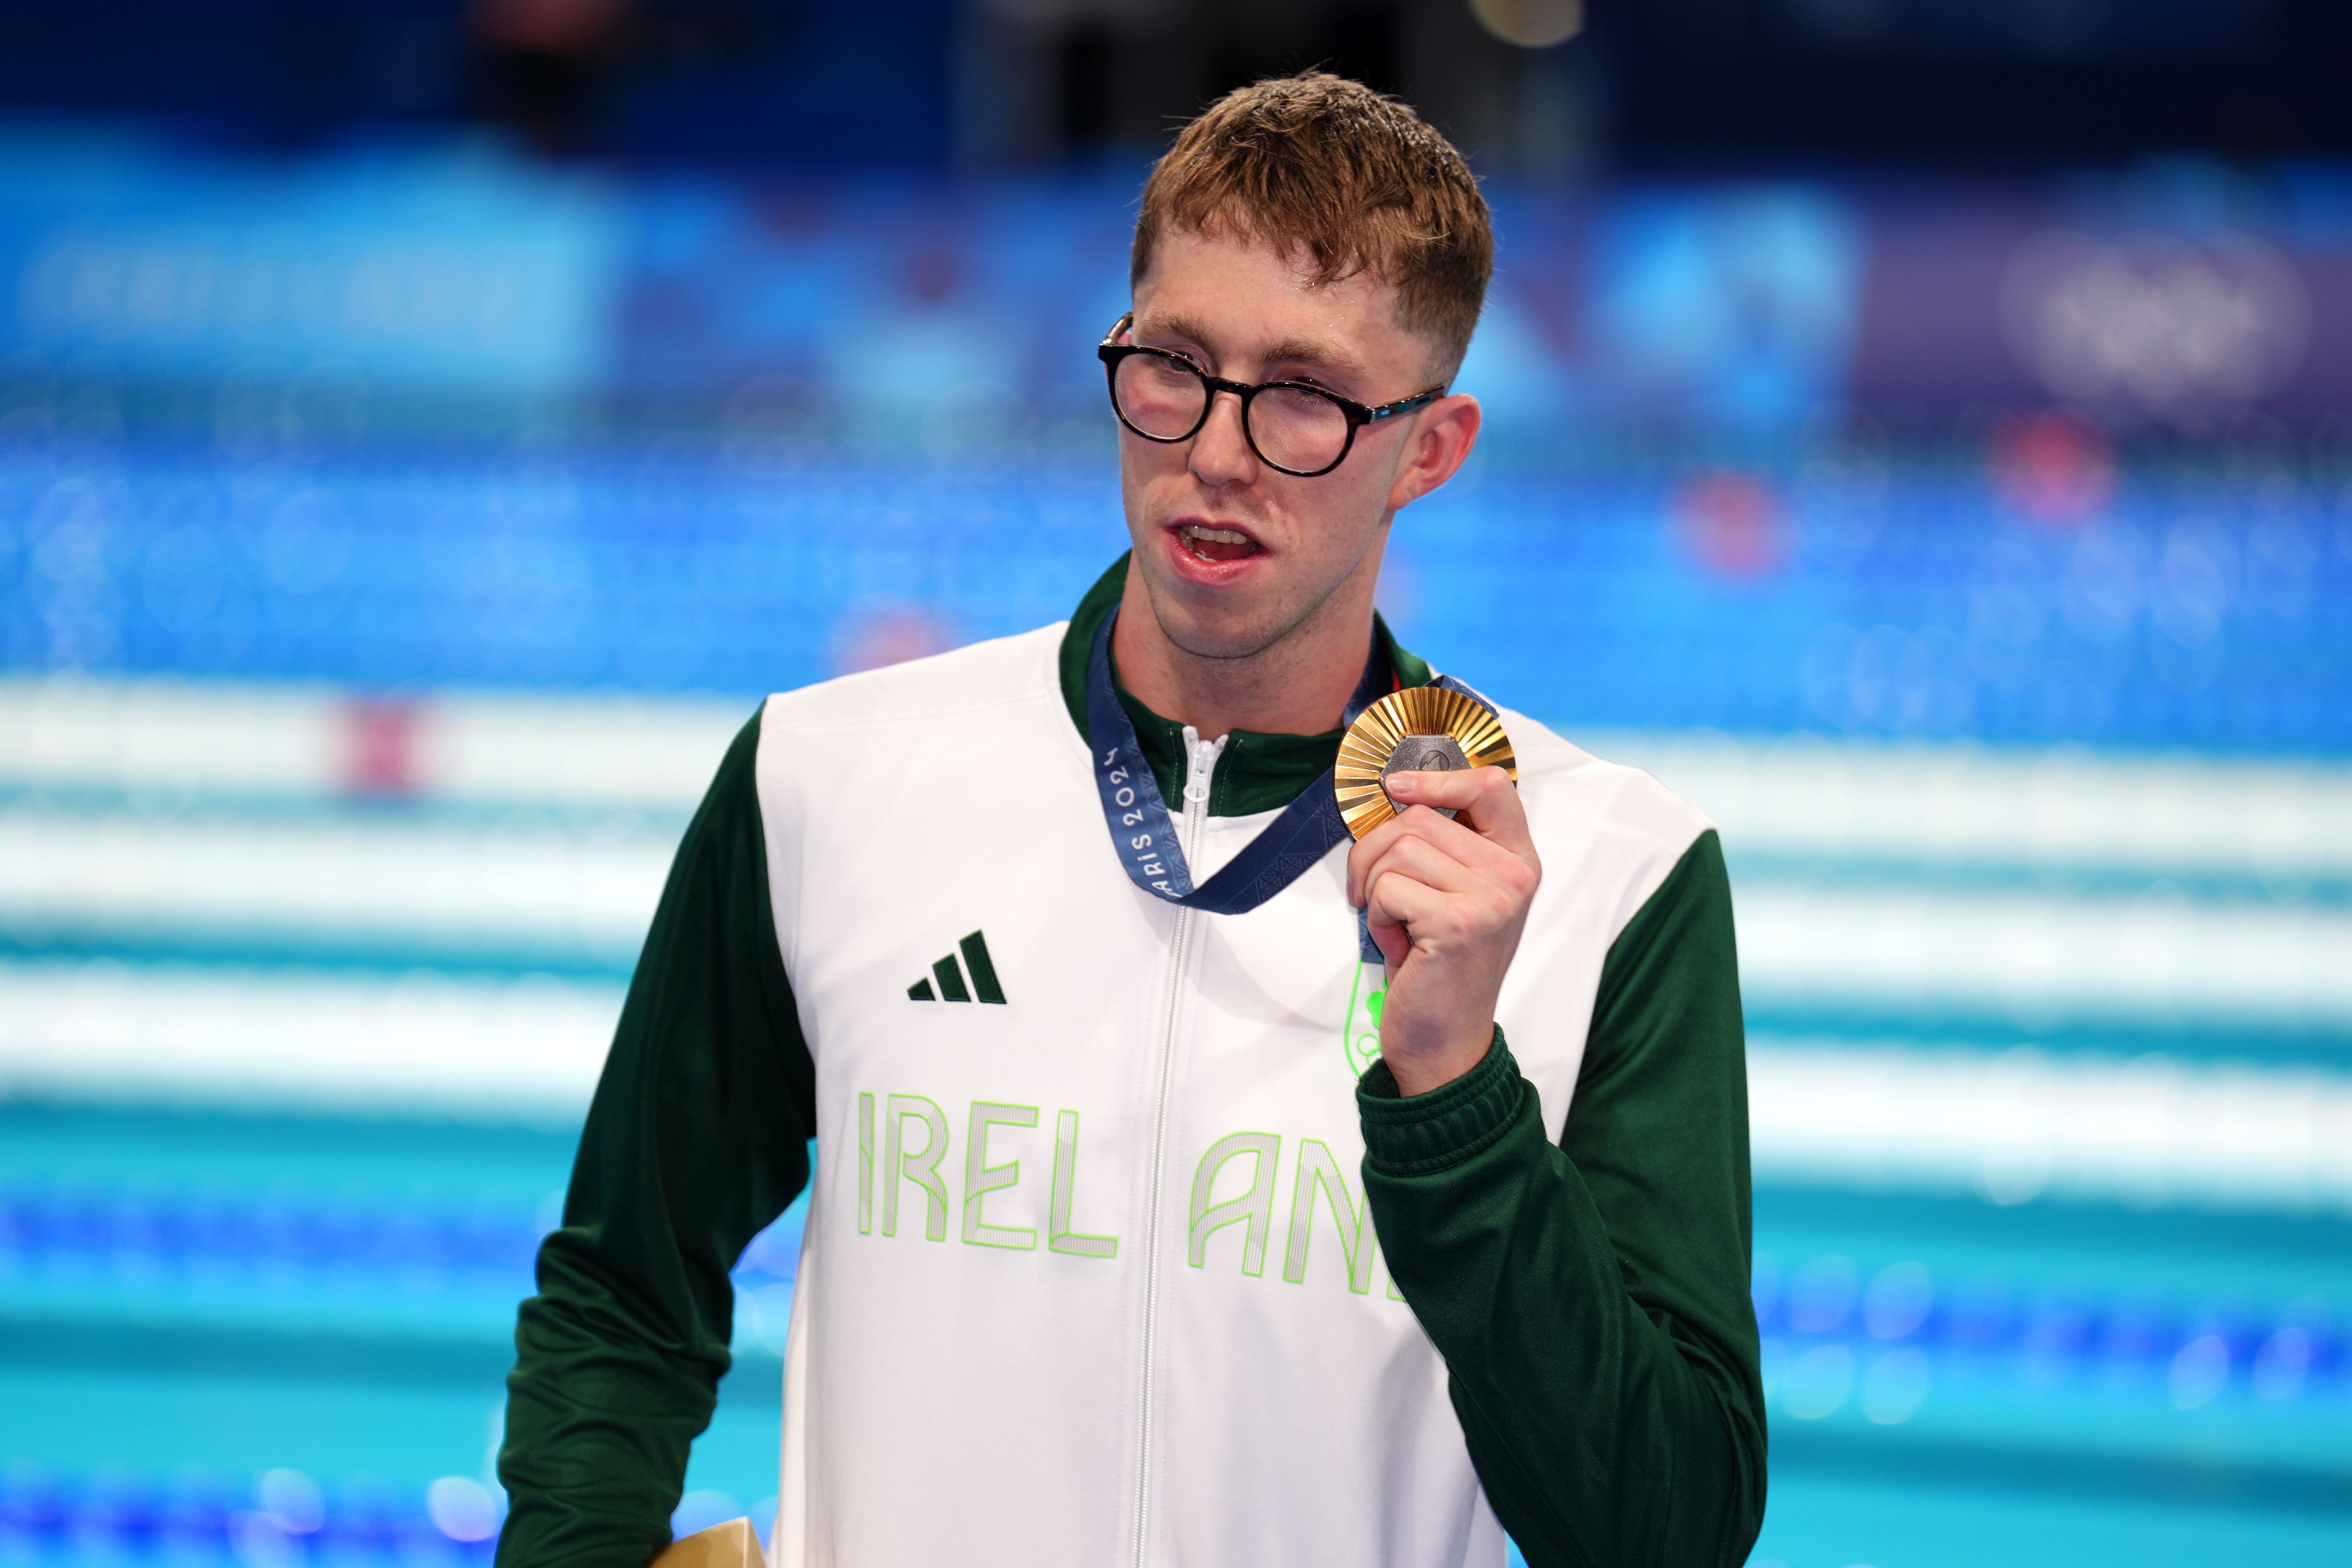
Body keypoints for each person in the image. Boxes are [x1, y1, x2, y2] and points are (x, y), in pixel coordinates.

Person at [496, 71, 1764, 1568]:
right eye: (1174, 364)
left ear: (1431, 448)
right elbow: (623, 1294)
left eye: (1303, 395)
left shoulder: (1615, 880)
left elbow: (1663, 1532)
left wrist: (1457, 1095)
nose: (1216, 452)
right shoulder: (824, 780)